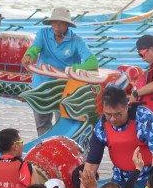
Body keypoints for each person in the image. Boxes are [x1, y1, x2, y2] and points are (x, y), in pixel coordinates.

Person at [75, 85, 153, 188]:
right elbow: (92, 162)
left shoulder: (144, 118)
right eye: (108, 114)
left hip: (147, 174)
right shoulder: (102, 126)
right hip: (120, 174)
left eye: (117, 114)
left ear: (127, 107)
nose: (112, 119)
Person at [21, 7, 98, 135]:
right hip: (41, 86)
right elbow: (35, 48)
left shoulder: (77, 41)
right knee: (42, 125)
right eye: (54, 22)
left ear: (67, 25)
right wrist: (29, 55)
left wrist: (74, 69)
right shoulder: (43, 33)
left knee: (62, 124)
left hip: (64, 88)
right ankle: (44, 148)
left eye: (61, 23)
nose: (57, 26)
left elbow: (93, 62)